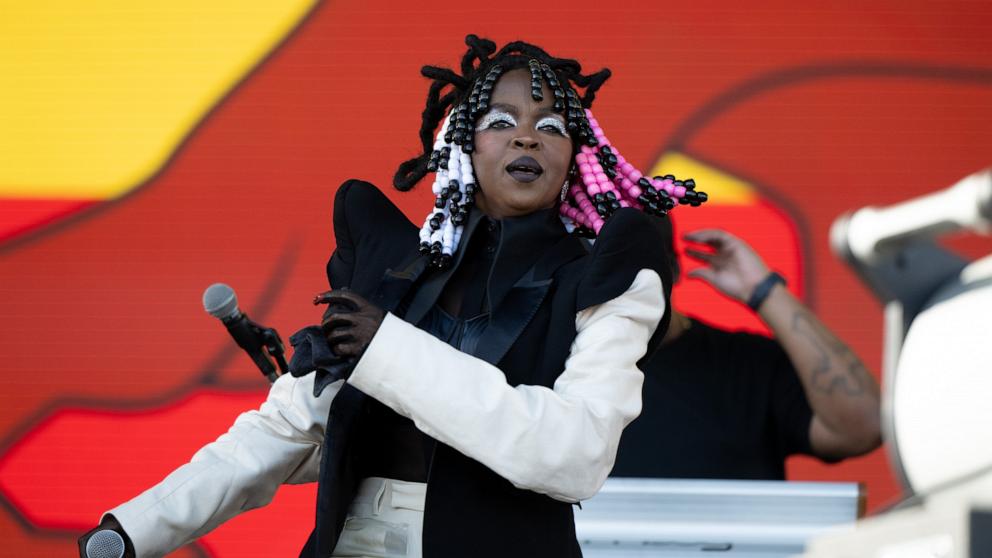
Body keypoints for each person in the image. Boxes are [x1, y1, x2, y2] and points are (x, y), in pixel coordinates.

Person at [78, 36, 708, 558]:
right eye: (500, 122)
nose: (527, 138)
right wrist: (134, 529)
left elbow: (573, 457)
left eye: (550, 126)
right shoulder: (399, 270)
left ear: (576, 156)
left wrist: (389, 350)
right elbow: (287, 428)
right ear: (462, 144)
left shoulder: (607, 278)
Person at [611, 220, 882, 480]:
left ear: (673, 269)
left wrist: (762, 289)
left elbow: (864, 426)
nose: (610, 285)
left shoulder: (749, 364)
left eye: (633, 268)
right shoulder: (568, 368)